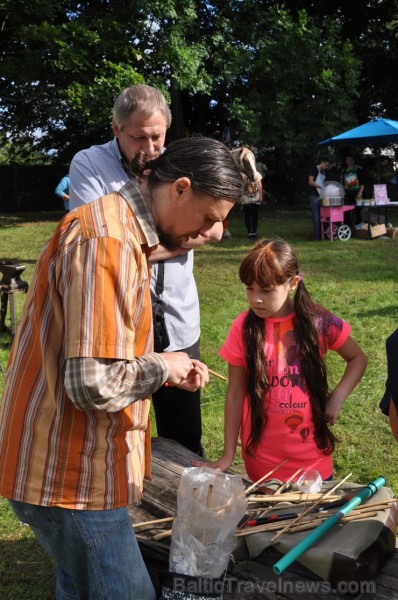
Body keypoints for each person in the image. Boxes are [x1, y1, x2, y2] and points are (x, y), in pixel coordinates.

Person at [0, 137, 244, 600]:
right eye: (210, 217)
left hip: (69, 468)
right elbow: (92, 384)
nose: (212, 234)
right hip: (69, 476)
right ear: (180, 189)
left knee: (78, 588)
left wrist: (161, 366)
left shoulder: (121, 231)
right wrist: (164, 365)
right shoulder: (107, 241)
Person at [69, 84, 213, 456]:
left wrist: (139, 246)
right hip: (123, 326)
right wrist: (179, 241)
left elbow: (210, 228)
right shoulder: (88, 164)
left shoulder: (180, 162)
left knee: (185, 435)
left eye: (158, 136)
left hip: (179, 320)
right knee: (124, 436)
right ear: (116, 129)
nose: (150, 149)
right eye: (139, 138)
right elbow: (95, 243)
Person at [194, 238, 367, 482]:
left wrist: (337, 397)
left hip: (313, 462)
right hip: (262, 464)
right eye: (249, 289)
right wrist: (227, 455)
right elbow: (234, 394)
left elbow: (358, 358)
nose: (256, 299)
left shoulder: (319, 321)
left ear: (293, 283)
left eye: (266, 290)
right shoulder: (243, 327)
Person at [231, 145, 263, 239]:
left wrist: (260, 196)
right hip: (246, 196)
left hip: (255, 195)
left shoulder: (257, 174)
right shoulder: (241, 175)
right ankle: (250, 232)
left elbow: (260, 185)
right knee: (248, 215)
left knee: (255, 215)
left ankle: (254, 232)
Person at [308, 157, 330, 240]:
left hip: (320, 195)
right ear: (322, 162)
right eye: (326, 165)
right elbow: (310, 182)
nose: (327, 167)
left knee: (322, 216)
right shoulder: (313, 169)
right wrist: (320, 186)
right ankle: (317, 237)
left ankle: (322, 235)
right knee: (316, 217)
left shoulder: (323, 172)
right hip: (313, 195)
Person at [341, 153, 365, 225]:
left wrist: (359, 193)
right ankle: (347, 226)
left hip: (357, 192)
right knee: (346, 211)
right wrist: (343, 193)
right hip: (347, 193)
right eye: (348, 160)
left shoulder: (358, 169)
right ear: (346, 161)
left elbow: (363, 183)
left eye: (351, 160)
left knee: (358, 210)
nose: (350, 162)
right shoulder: (343, 170)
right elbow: (342, 183)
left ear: (353, 160)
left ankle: (359, 226)